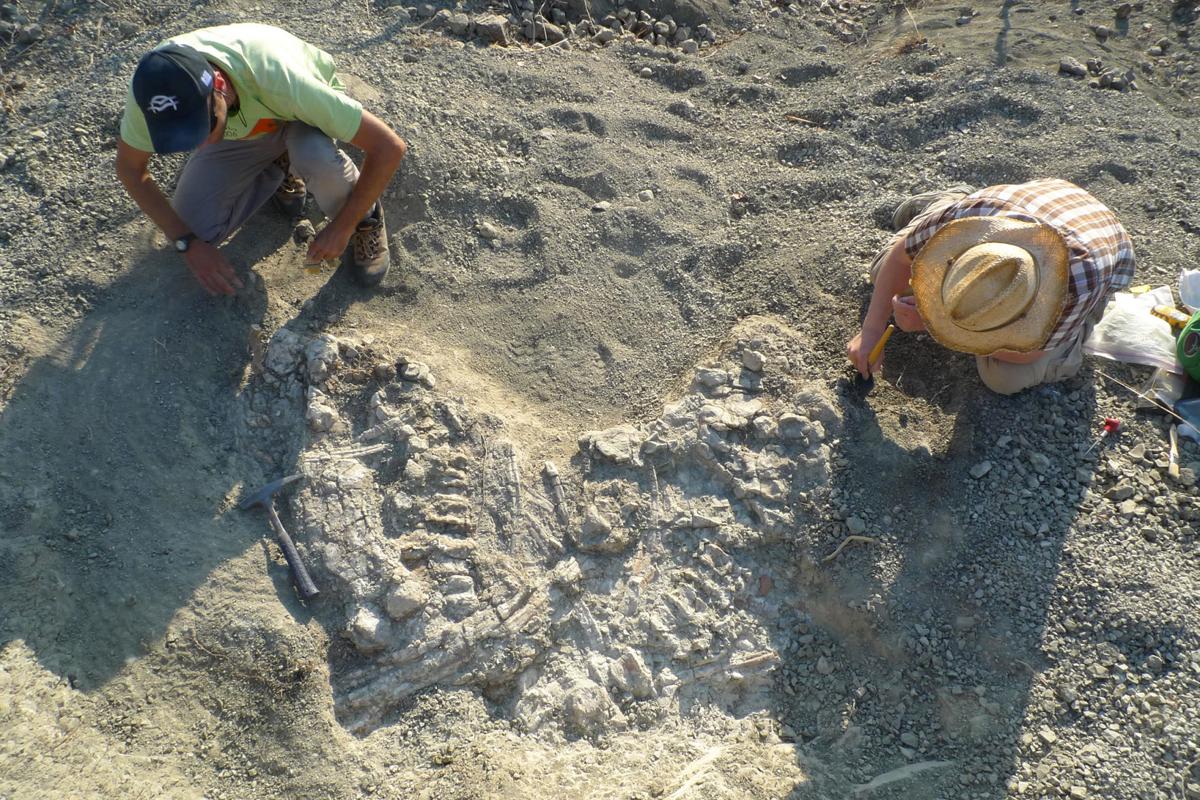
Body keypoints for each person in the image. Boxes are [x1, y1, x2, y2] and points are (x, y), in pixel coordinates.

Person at [115, 23, 407, 294]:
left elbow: (389, 147)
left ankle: (365, 218)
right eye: (189, 135)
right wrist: (186, 241)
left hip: (297, 112)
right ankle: (278, 163)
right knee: (194, 228)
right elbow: (130, 168)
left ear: (219, 85)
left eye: (204, 126)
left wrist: (342, 226)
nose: (201, 145)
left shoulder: (286, 81)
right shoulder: (153, 91)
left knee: (316, 157)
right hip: (247, 127)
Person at [846, 179, 1135, 394]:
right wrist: (870, 332)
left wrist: (932, 325)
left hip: (1100, 248)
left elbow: (1030, 352)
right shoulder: (970, 216)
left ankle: (1074, 336)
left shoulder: (1075, 284)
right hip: (1041, 199)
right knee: (882, 272)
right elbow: (900, 258)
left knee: (1006, 379)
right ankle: (941, 204)